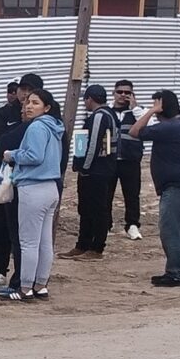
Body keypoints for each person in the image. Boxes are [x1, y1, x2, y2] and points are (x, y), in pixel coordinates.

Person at [131, 90, 180, 288]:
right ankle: (175, 270)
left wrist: (148, 112)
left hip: (179, 185)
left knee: (170, 230)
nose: (154, 111)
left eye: (156, 106)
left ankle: (178, 274)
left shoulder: (171, 128)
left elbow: (135, 132)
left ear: (162, 107)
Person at [7, 87, 66, 302]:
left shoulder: (36, 128)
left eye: (35, 103)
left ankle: (25, 288)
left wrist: (11, 155)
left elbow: (34, 156)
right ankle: (40, 285)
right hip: (50, 187)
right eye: (28, 102)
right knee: (44, 242)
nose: (29, 106)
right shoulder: (55, 127)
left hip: (33, 187)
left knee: (29, 242)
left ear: (46, 107)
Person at [62, 85, 120, 262]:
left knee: (97, 209)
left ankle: (96, 247)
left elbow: (94, 144)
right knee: (86, 208)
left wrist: (84, 167)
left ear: (90, 99)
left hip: (96, 172)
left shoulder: (100, 116)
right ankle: (83, 244)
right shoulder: (109, 115)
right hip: (99, 169)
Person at [0, 80, 30, 288]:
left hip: (29, 180)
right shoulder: (5, 113)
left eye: (31, 92)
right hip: (3, 175)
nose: (25, 96)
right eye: (23, 90)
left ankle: (25, 274)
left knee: (23, 229)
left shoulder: (45, 120)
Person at [111, 79, 145, 241]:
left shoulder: (138, 113)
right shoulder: (105, 111)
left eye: (127, 92)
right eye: (120, 92)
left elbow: (149, 126)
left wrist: (135, 108)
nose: (123, 95)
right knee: (105, 194)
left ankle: (132, 225)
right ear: (114, 93)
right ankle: (105, 224)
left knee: (132, 194)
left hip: (130, 160)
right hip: (108, 160)